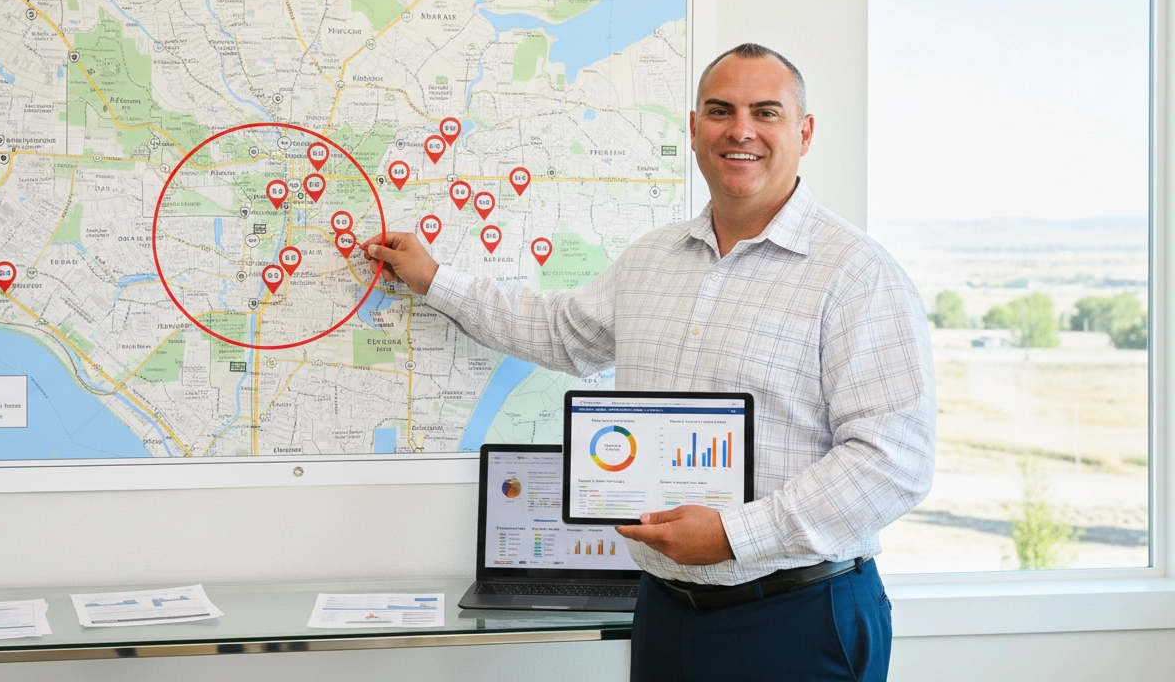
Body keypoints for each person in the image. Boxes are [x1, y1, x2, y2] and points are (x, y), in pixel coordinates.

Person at [363, 43, 936, 681]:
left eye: (765, 112)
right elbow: (560, 332)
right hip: (666, 613)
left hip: (799, 617)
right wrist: (434, 279)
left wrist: (735, 535)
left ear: (803, 133)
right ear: (694, 131)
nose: (740, 130)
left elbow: (894, 463)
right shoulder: (652, 259)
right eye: (720, 111)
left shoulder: (857, 275)